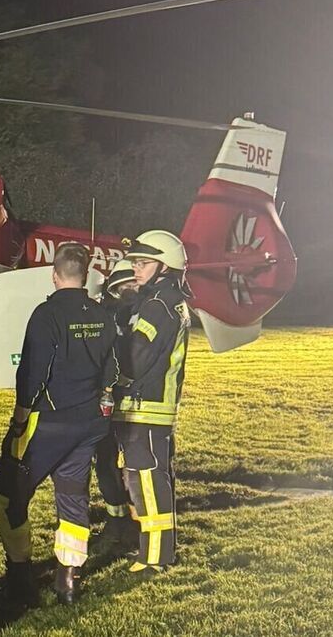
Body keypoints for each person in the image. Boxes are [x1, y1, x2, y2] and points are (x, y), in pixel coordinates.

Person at [0, 243, 118, 605]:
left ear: (54, 274)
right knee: (73, 498)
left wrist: (19, 416)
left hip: (46, 423)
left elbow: (33, 371)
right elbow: (112, 369)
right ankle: (69, 581)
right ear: (86, 274)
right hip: (88, 424)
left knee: (7, 495)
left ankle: (20, 578)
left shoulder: (45, 314)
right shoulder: (102, 314)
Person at [115, 230, 191, 576]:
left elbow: (134, 358)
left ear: (165, 267)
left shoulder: (157, 306)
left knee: (147, 480)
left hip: (146, 407)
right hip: (154, 408)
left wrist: (110, 355)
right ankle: (155, 549)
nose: (136, 269)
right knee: (153, 478)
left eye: (143, 263)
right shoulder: (165, 300)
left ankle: (155, 558)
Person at [91, 259, 141, 554]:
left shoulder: (147, 313)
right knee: (106, 462)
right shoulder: (107, 315)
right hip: (110, 400)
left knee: (134, 466)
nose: (132, 289)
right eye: (127, 285)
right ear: (114, 286)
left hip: (135, 402)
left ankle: (135, 525)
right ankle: (117, 520)